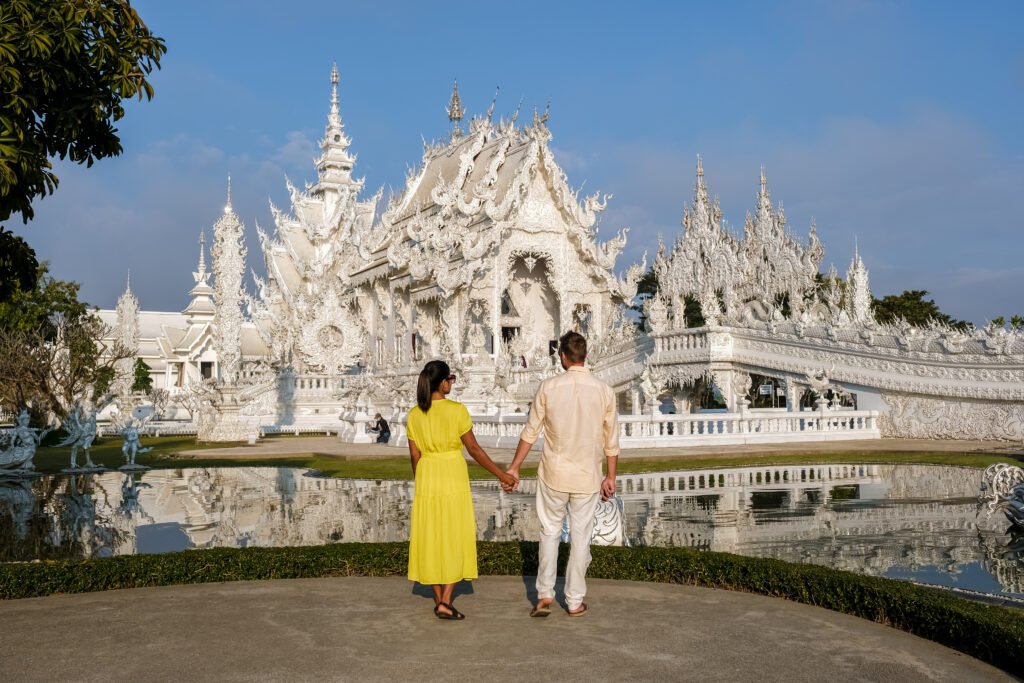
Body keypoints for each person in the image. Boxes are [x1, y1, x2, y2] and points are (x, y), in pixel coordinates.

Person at [505, 331, 619, 618]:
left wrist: (515, 467)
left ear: (563, 357)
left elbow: (530, 433)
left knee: (549, 533)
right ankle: (574, 601)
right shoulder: (604, 390)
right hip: (587, 476)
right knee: (581, 538)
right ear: (585, 356)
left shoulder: (549, 387)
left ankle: (544, 595)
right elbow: (612, 441)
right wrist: (611, 477)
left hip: (554, 474)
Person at [407, 360, 517, 620]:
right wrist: (502, 474)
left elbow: (414, 456)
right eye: (451, 379)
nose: (452, 383)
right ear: (443, 382)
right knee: (455, 532)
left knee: (430, 535)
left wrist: (422, 479)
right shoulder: (457, 411)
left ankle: (439, 599)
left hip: (428, 475)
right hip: (452, 474)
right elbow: (475, 450)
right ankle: (445, 600)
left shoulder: (414, 414)